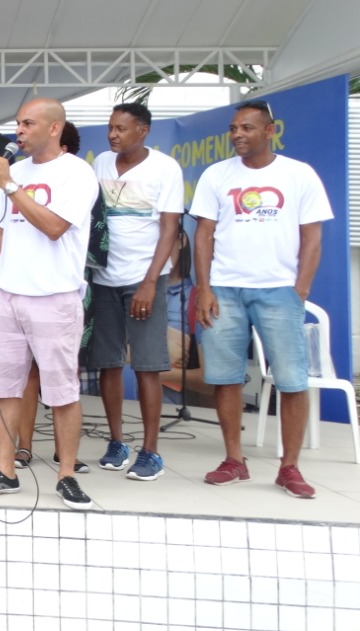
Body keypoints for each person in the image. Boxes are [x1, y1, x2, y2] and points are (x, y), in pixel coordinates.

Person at [192, 98, 332, 499]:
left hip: (279, 291)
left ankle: (290, 468)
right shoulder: (216, 175)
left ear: (270, 131)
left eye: (247, 128)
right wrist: (204, 289)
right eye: (234, 129)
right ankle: (234, 460)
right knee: (225, 378)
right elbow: (203, 235)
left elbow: (312, 237)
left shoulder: (299, 174)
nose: (237, 135)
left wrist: (299, 289)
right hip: (224, 290)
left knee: (291, 380)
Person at [0, 98, 99, 511]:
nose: (19, 131)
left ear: (54, 128)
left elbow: (55, 227)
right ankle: (5, 470)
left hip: (54, 297)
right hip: (8, 295)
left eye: (28, 123)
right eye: (18, 123)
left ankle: (67, 475)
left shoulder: (76, 172)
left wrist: (10, 185)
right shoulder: (18, 171)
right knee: (5, 388)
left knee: (61, 391)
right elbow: (1, 232)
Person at [88, 103, 184, 481]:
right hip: (103, 279)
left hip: (144, 280)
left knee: (147, 366)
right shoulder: (100, 164)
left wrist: (149, 282)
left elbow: (170, 229)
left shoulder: (165, 168)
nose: (112, 135)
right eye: (111, 128)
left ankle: (150, 451)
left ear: (143, 131)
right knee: (108, 364)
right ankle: (117, 442)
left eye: (121, 129)